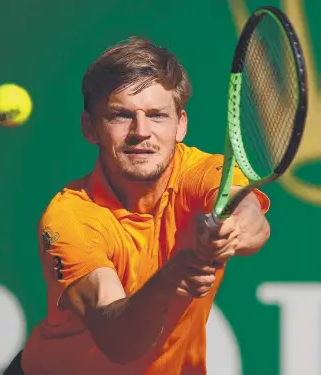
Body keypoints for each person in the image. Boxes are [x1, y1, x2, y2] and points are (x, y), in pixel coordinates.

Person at [20, 37, 270, 375]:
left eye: (157, 116)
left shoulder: (202, 172)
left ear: (180, 124)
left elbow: (250, 216)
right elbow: (119, 344)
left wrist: (230, 231)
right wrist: (169, 279)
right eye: (120, 116)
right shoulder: (69, 217)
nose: (141, 132)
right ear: (89, 128)